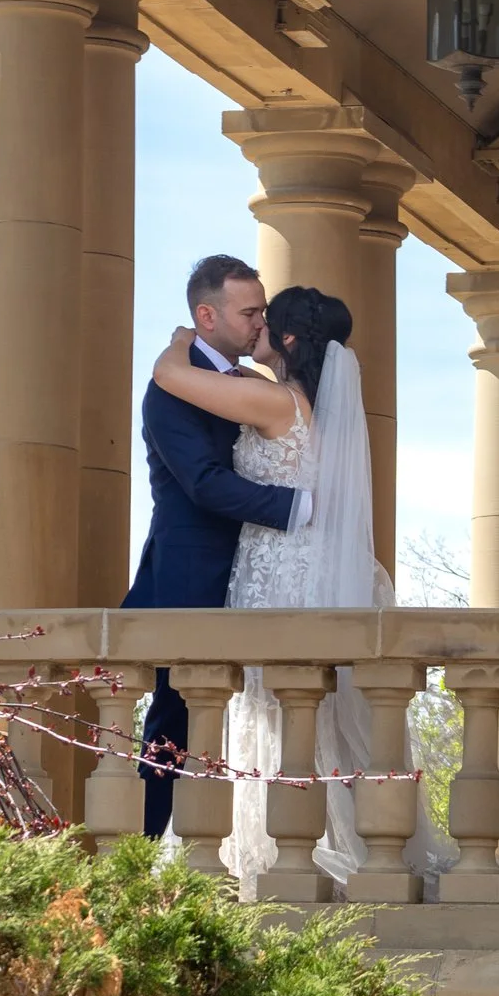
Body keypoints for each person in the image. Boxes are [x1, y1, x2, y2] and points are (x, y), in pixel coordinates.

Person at [147, 284, 390, 892]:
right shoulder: (322, 409)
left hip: (279, 568)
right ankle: (307, 838)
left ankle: (264, 849)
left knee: (268, 702)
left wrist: (181, 341)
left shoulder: (276, 402)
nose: (253, 327)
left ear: (284, 339)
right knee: (301, 708)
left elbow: (171, 376)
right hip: (303, 562)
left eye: (263, 319)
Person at [123, 256, 311, 837]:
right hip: (192, 574)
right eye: (249, 311)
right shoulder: (169, 392)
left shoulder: (250, 385)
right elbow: (203, 483)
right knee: (176, 717)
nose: (260, 323)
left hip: (263, 572)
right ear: (206, 316)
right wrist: (298, 510)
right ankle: (151, 853)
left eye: (261, 311)